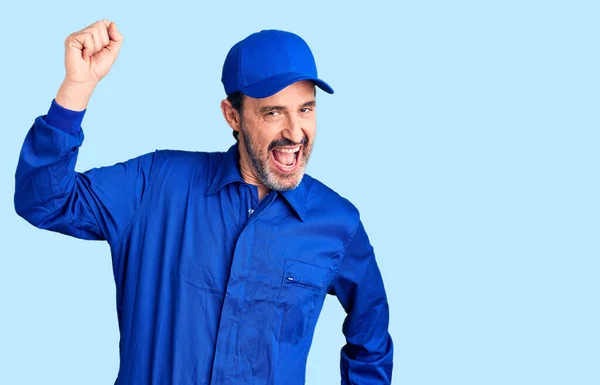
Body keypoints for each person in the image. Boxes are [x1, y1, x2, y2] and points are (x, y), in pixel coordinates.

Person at [14, 19, 393, 385]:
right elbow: (44, 200)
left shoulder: (337, 224)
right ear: (233, 115)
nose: (294, 132)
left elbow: (371, 338)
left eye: (305, 109)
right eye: (273, 112)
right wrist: (77, 88)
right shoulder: (155, 185)